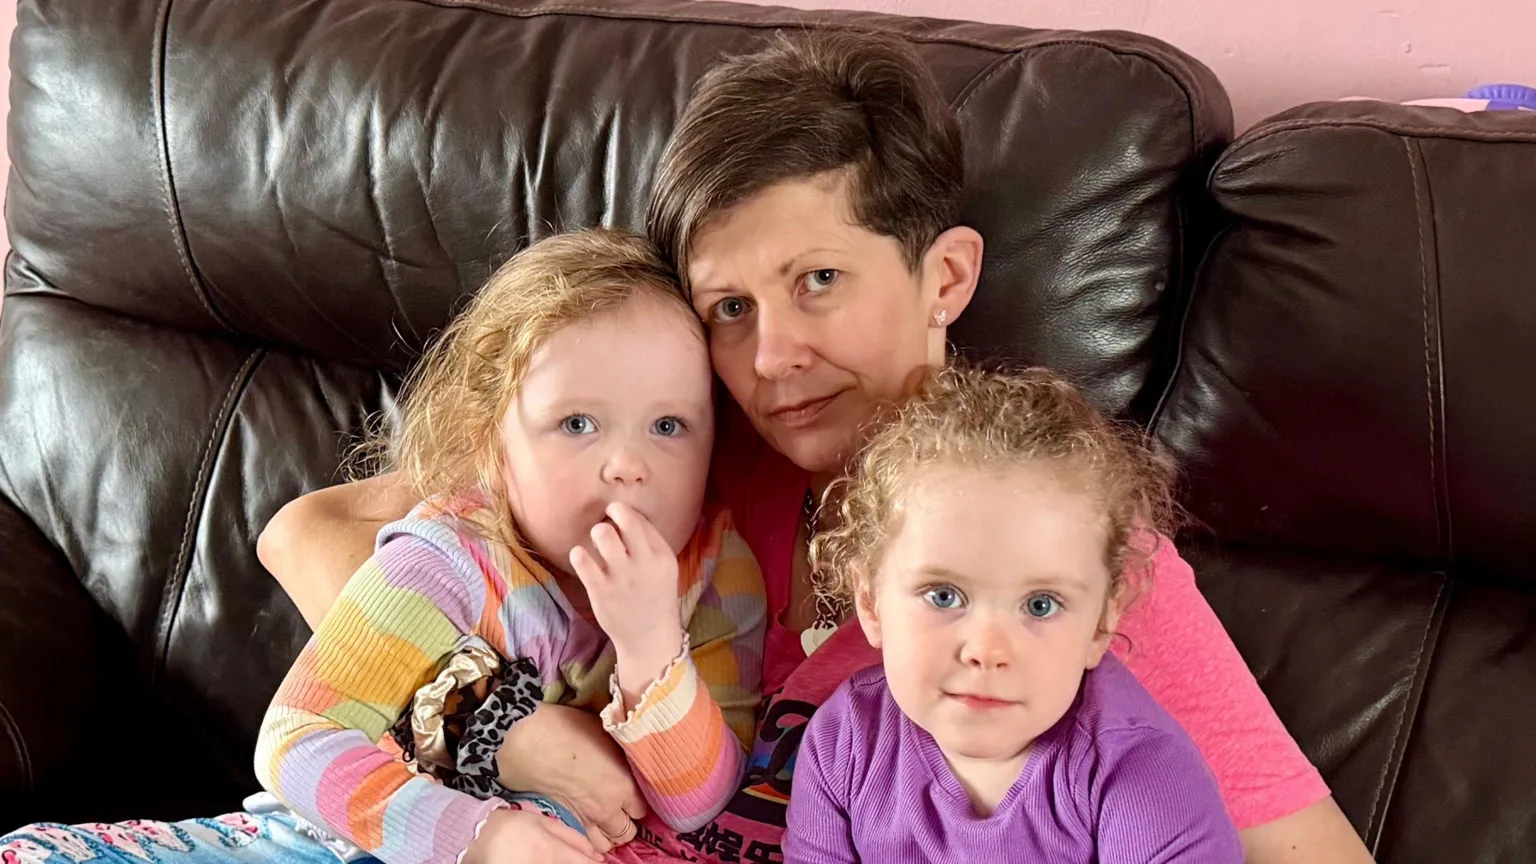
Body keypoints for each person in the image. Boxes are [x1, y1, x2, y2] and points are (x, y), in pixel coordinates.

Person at [2, 27, 1374, 864]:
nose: (770, 357)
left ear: (947, 276)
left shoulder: (1059, 542)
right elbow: (314, 532)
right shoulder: (688, 447)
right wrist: (506, 728)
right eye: (731, 305)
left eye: (819, 283)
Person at [0, 231, 766, 864]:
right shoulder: (451, 555)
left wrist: (651, 649)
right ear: (490, 443)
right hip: (345, 836)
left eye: (669, 426)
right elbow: (297, 742)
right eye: (576, 423)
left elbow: (698, 800)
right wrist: (485, 837)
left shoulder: (715, 571)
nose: (626, 464)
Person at [783, 365, 1241, 862]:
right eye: (943, 595)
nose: (986, 651)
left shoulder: (1140, 773)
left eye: (1040, 605)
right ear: (870, 601)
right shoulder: (844, 742)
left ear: (1102, 624)